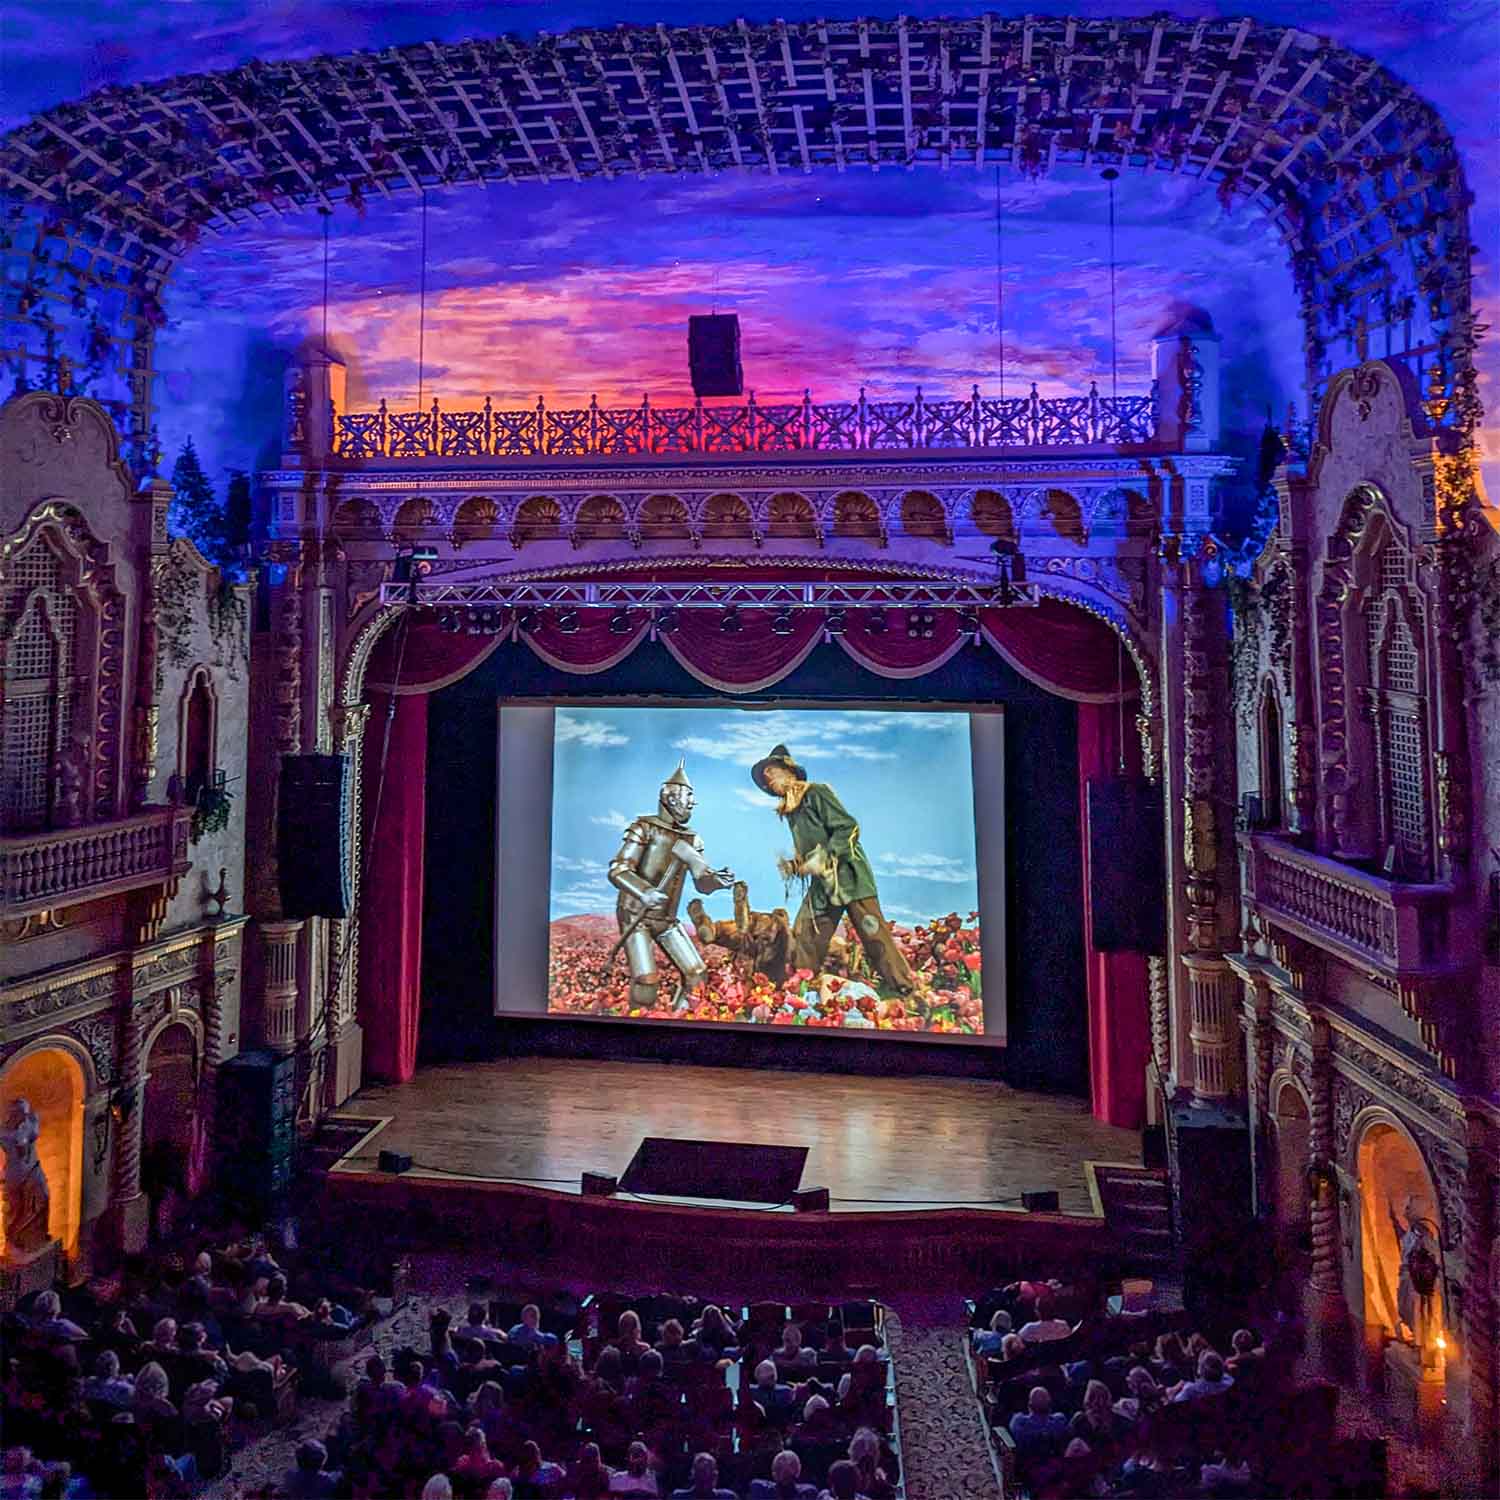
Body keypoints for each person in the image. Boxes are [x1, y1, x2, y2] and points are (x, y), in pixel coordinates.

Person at [750, 745, 914, 993]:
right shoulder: (792, 811)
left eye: (771, 772)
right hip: (823, 885)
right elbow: (810, 851)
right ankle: (800, 989)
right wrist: (796, 866)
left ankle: (905, 991)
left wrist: (825, 856)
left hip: (850, 877)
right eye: (766, 778)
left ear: (789, 771)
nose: (768, 780)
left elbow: (848, 828)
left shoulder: (816, 793)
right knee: (806, 933)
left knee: (874, 936)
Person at [608, 760, 736, 1011]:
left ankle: (678, 1021)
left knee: (697, 974)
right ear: (670, 799)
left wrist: (715, 881)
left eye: (691, 799)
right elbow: (619, 870)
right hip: (636, 915)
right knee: (647, 980)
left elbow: (702, 881)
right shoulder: (644, 828)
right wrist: (644, 892)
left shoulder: (692, 839)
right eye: (687, 798)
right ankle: (637, 1027)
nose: (690, 804)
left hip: (666, 919)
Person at [1008, 1386, 1068, 1460]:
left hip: (1028, 1465)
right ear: (1050, 1405)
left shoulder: (1019, 1422)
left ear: (1029, 1405)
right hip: (1055, 1463)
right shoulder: (1059, 1421)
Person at [750, 1450, 818, 1499]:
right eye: (780, 1468)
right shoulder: (762, 1489)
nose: (785, 1471)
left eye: (790, 1466)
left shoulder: (808, 1492)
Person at [670, 1452, 736, 1500]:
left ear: (715, 1476)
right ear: (693, 1475)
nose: (705, 1478)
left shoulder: (728, 1497)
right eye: (701, 1473)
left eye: (710, 1476)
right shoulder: (679, 1497)